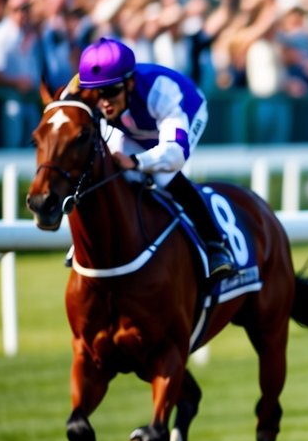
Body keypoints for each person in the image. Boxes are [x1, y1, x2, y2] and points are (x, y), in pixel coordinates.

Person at [73, 36, 233, 281]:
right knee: (112, 170)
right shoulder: (89, 89)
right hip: (134, 125)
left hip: (183, 114)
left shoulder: (163, 93)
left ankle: (215, 245)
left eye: (111, 91)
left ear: (129, 83)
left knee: (162, 174)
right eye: (96, 93)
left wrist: (138, 162)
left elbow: (175, 154)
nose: (104, 101)